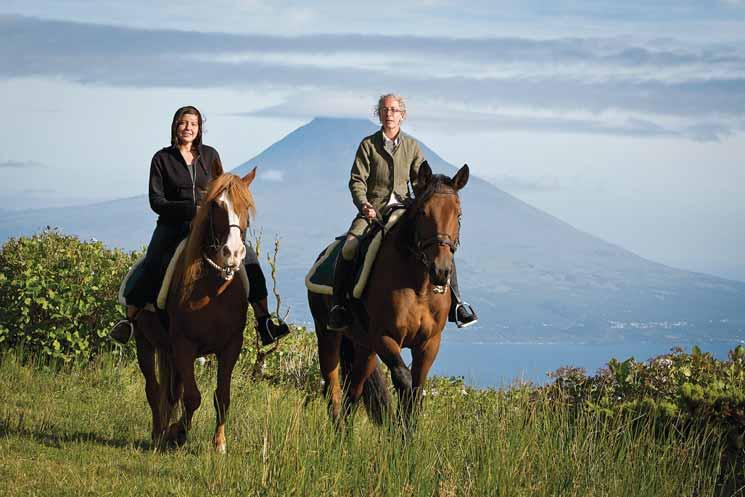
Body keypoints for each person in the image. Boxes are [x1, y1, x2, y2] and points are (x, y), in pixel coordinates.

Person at [109, 105, 289, 345]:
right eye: (184, 123)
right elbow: (157, 201)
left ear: (199, 128)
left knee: (250, 260)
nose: (188, 128)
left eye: (193, 124)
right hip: (173, 224)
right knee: (152, 261)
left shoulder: (210, 155)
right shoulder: (162, 159)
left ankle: (264, 320)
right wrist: (189, 210)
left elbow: (221, 187)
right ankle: (130, 320)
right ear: (175, 126)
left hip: (210, 226)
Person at [327, 94, 478, 331]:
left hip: (404, 208)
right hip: (373, 210)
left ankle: (457, 303)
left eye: (394, 110)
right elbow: (357, 180)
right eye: (385, 110)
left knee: (440, 244)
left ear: (402, 115)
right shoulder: (368, 145)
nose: (389, 114)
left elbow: (422, 181)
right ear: (379, 114)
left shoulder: (411, 146)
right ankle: (340, 306)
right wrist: (363, 203)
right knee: (349, 247)